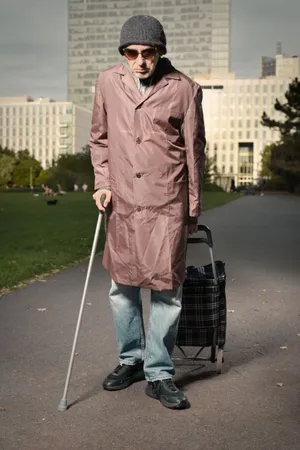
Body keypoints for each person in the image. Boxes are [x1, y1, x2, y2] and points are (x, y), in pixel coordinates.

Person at [89, 15, 206, 410]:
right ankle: (131, 359)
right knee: (121, 288)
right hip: (122, 202)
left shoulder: (185, 89)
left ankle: (158, 372)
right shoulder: (107, 82)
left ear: (160, 52)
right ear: (123, 53)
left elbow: (195, 151)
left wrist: (191, 209)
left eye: (148, 52)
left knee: (166, 292)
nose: (140, 61)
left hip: (165, 204)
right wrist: (102, 182)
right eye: (132, 53)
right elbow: (99, 138)